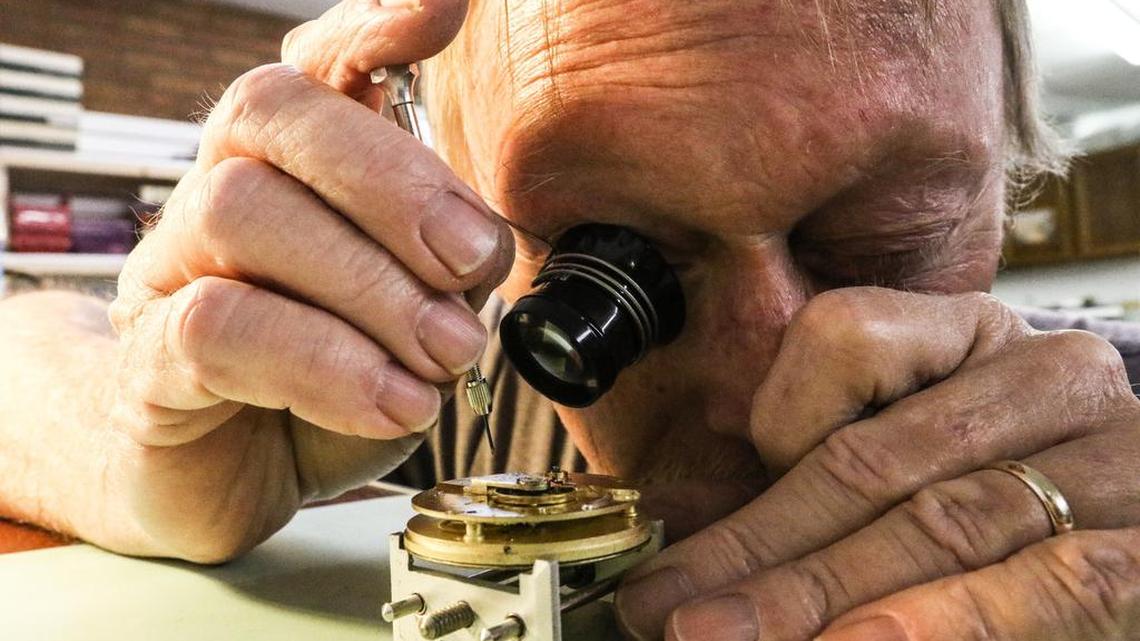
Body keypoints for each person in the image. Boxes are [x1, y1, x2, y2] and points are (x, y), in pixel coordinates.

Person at [1, 0, 1139, 639]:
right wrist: (129, 428)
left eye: (885, 244)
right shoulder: (466, 397)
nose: (765, 394)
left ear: (1013, 183)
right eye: (608, 272)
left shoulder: (1110, 429)